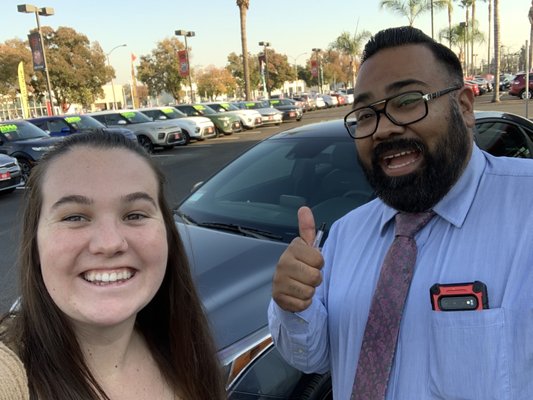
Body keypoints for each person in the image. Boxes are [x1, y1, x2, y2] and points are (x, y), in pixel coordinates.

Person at [268, 26, 533, 399]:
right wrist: (293, 306)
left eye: (408, 100)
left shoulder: (526, 208)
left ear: (464, 107)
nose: (383, 129)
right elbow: (313, 358)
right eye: (364, 114)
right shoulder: (344, 235)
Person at [0, 132, 225, 399]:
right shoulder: (9, 374)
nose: (109, 243)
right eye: (74, 217)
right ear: (35, 240)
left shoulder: (186, 348)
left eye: (135, 214)